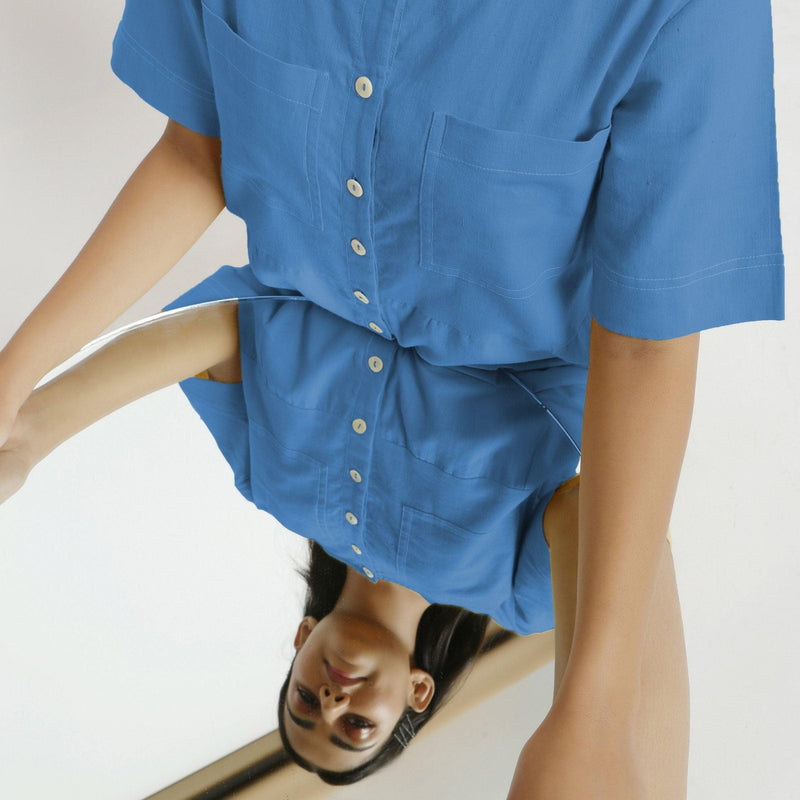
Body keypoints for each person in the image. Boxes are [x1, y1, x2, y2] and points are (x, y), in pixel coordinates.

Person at [0, 0, 784, 796]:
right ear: (419, 693)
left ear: (300, 643)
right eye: (353, 727)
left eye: (305, 702)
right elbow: (621, 518)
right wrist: (594, 713)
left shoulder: (275, 479)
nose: (333, 697)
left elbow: (221, 338)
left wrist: (25, 412)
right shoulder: (514, 582)